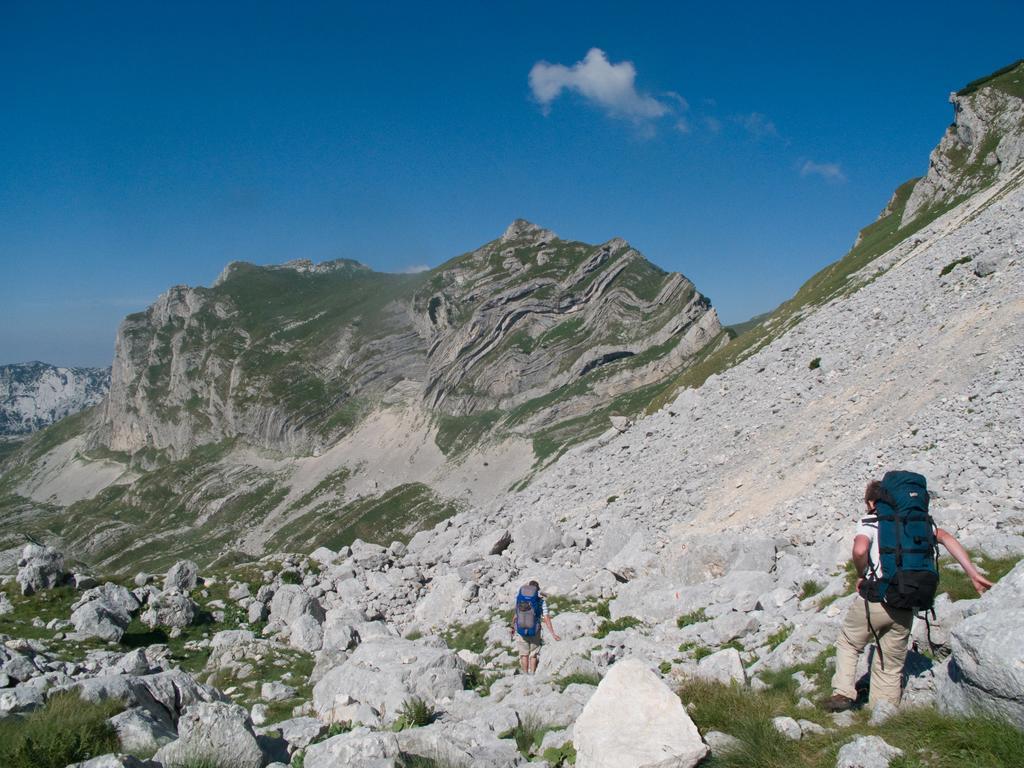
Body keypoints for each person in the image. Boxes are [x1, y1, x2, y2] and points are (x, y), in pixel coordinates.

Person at [824, 479, 993, 711]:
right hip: (906, 603)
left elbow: (860, 549)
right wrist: (973, 573)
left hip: (876, 599)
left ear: (873, 502)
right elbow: (947, 538)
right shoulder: (918, 523)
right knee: (890, 663)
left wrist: (861, 573)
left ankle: (843, 692)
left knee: (849, 642)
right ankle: (883, 712)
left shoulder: (871, 521)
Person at [509, 580, 560, 674]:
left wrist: (512, 627)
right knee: (533, 654)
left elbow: (516, 614)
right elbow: (547, 618)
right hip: (535, 630)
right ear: (537, 590)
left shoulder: (521, 599)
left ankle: (525, 674)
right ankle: (532, 674)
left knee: (524, 654)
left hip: (521, 630)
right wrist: (553, 634)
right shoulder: (540, 602)